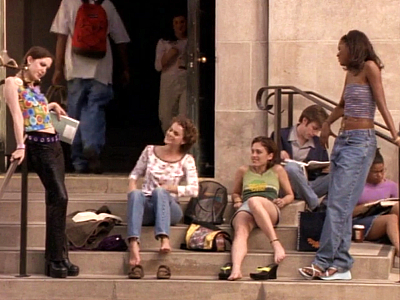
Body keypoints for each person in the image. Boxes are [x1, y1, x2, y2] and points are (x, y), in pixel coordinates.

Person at [299, 30, 400, 281]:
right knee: (339, 203)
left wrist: (395, 135)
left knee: (337, 204)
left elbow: (382, 103)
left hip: (360, 142)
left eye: (340, 48)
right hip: (343, 141)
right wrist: (326, 124)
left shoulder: (369, 67)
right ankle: (341, 264)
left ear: (352, 48)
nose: (337, 53)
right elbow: (343, 104)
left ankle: (323, 262)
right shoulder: (350, 73)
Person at [3, 46, 79, 278]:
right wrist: (19, 145)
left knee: (58, 199)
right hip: (38, 144)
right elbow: (17, 114)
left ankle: (59, 257)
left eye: (47, 66)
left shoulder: (34, 87)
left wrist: (51, 106)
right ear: (30, 60)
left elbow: (34, 110)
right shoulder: (12, 83)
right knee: (59, 196)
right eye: (41, 65)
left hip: (54, 142)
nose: (44, 70)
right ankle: (56, 258)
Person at [50, 0, 130, 173]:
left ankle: (78, 161)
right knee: (94, 109)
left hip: (75, 68)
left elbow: (61, 37)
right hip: (101, 70)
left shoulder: (68, 3)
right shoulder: (107, 4)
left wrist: (58, 68)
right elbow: (120, 39)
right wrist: (124, 68)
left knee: (73, 114)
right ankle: (92, 145)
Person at [126, 116, 198, 279]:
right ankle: (133, 244)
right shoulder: (150, 150)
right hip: (147, 207)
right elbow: (135, 173)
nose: (170, 134)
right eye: (170, 130)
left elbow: (194, 190)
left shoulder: (187, 160)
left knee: (160, 192)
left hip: (170, 208)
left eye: (176, 133)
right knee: (137, 194)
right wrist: (132, 188)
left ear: (183, 141)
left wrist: (169, 188)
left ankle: (164, 238)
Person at [219, 136, 294, 281]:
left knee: (254, 201)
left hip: (268, 206)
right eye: (252, 151)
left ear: (270, 155)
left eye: (259, 152)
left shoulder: (278, 170)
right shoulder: (243, 170)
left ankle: (276, 243)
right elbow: (235, 192)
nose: (254, 155)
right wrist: (237, 200)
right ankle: (236, 269)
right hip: (247, 206)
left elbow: (290, 194)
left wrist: (283, 201)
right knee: (240, 229)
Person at [271, 105, 330, 211]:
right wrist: (277, 154)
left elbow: (323, 168)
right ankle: (315, 204)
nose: (315, 133)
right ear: (304, 120)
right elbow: (266, 160)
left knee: (341, 173)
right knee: (292, 167)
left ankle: (325, 206)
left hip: (309, 186)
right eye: (314, 128)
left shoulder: (318, 143)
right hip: (286, 187)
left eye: (318, 131)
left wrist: (327, 169)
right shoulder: (280, 135)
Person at [352, 149, 399, 256]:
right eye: (375, 172)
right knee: (391, 219)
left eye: (382, 171)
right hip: (361, 222)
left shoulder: (392, 186)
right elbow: (346, 214)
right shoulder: (356, 186)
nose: (379, 175)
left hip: (384, 216)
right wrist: (365, 207)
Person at [155, 13, 188, 132]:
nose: (180, 26)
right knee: (166, 115)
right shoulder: (165, 42)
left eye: (182, 22)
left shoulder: (192, 42)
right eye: (176, 23)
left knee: (183, 116)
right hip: (169, 82)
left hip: (186, 82)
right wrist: (170, 54)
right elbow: (158, 66)